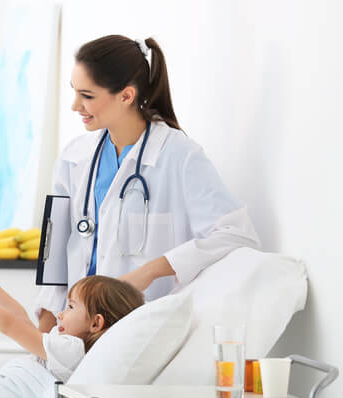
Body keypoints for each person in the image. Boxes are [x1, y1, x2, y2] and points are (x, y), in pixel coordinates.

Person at [35, 35, 259, 333]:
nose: (76, 105)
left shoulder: (179, 156)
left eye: (87, 96)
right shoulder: (73, 158)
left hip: (139, 329)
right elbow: (54, 252)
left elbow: (237, 235)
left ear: (126, 95)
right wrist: (46, 330)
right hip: (74, 330)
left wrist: (152, 270)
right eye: (74, 92)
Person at [0, 255, 144, 382]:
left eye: (70, 307)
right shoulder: (68, 347)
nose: (60, 314)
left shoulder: (72, 350)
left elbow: (10, 325)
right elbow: (19, 318)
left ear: (96, 323)